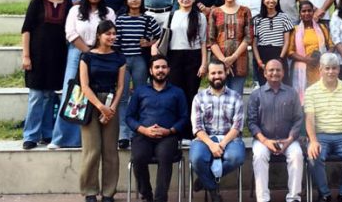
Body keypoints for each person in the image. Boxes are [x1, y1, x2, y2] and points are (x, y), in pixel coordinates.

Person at [49, 0, 116, 149]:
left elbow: (110, 32)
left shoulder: (108, 12)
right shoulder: (75, 10)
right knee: (71, 92)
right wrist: (88, 52)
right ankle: (60, 138)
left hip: (101, 54)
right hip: (77, 52)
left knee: (92, 93)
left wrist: (96, 52)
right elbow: (70, 33)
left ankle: (81, 139)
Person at [126, 54, 189, 202]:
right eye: (157, 67)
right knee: (139, 157)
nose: (160, 70)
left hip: (168, 136)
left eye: (163, 67)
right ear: (150, 70)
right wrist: (144, 130)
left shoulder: (177, 92)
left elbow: (184, 118)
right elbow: (129, 117)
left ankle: (160, 199)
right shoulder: (140, 91)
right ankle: (146, 194)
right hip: (143, 135)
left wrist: (170, 130)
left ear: (168, 70)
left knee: (165, 156)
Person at [21, 0, 72, 149]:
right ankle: (30, 136)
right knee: (36, 96)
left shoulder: (68, 4)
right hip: (37, 56)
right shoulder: (37, 2)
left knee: (50, 96)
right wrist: (26, 56)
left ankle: (48, 133)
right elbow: (26, 29)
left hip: (57, 57)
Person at [304, 53, 342, 202]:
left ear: (339, 70)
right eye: (327, 68)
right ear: (320, 70)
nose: (331, 72)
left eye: (334, 68)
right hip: (320, 136)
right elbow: (309, 118)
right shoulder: (310, 91)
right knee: (313, 156)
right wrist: (312, 141)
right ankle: (324, 194)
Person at [79, 20, 126, 202]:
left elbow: (121, 86)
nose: (112, 37)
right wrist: (101, 107)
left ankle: (108, 192)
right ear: (99, 35)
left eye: (114, 34)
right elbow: (84, 86)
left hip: (111, 102)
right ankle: (90, 191)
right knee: (92, 149)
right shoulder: (87, 57)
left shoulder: (119, 58)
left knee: (110, 151)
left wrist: (112, 108)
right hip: (91, 103)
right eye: (108, 34)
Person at [189, 59, 246, 202]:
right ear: (208, 75)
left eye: (220, 72)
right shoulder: (199, 98)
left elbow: (237, 126)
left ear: (225, 73)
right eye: (213, 73)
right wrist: (211, 144)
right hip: (205, 138)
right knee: (196, 159)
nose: (217, 76)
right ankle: (213, 191)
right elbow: (197, 127)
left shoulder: (236, 97)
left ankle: (205, 180)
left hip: (230, 138)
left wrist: (222, 144)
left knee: (236, 157)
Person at [248, 59, 304, 202]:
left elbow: (298, 119)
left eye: (278, 70)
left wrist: (289, 140)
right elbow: (252, 123)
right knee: (259, 155)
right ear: (265, 73)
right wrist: (265, 141)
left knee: (297, 155)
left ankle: (293, 198)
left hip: (288, 139)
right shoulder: (256, 95)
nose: (275, 73)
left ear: (283, 73)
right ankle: (263, 199)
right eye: (271, 70)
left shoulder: (292, 93)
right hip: (263, 139)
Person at [114, 0, 162, 148]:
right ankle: (123, 133)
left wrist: (148, 43)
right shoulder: (120, 20)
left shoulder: (147, 19)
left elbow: (160, 35)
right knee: (122, 96)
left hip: (140, 61)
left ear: (141, 0)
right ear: (126, 1)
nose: (134, 1)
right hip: (123, 61)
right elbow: (115, 41)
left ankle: (139, 130)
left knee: (141, 95)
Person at [160, 0, 207, 139]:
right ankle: (176, 129)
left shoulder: (200, 17)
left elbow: (203, 42)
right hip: (174, 57)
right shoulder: (171, 15)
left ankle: (191, 129)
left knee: (191, 94)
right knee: (176, 93)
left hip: (194, 57)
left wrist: (204, 63)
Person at [208, 0, 253, 94]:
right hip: (218, 63)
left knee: (237, 96)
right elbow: (211, 40)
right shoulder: (215, 12)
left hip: (240, 60)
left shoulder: (245, 11)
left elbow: (248, 38)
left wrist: (233, 57)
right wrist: (224, 61)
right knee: (219, 96)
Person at [288, 0, 334, 104]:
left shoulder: (322, 28)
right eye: (303, 11)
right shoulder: (295, 30)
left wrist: (324, 57)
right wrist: (306, 60)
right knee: (305, 101)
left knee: (320, 99)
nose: (307, 13)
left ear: (313, 12)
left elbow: (331, 45)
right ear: (300, 14)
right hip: (302, 69)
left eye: (309, 11)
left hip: (320, 68)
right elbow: (290, 52)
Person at [252, 0, 294, 85]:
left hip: (279, 53)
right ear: (263, 0)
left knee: (283, 85)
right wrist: (259, 62)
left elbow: (286, 41)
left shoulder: (284, 17)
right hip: (263, 54)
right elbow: (254, 44)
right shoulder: (257, 19)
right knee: (264, 86)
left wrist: (280, 58)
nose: (271, 1)